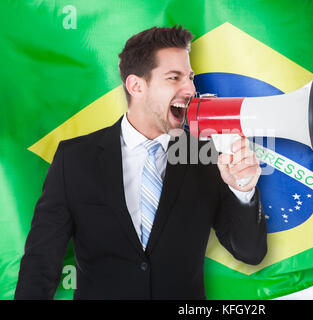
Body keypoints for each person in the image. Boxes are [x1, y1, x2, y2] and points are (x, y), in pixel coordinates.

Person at [15, 25, 267, 300]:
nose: (191, 88)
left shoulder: (206, 154)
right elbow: (41, 264)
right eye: (174, 77)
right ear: (136, 85)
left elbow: (250, 252)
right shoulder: (74, 159)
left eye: (190, 77)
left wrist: (243, 189)